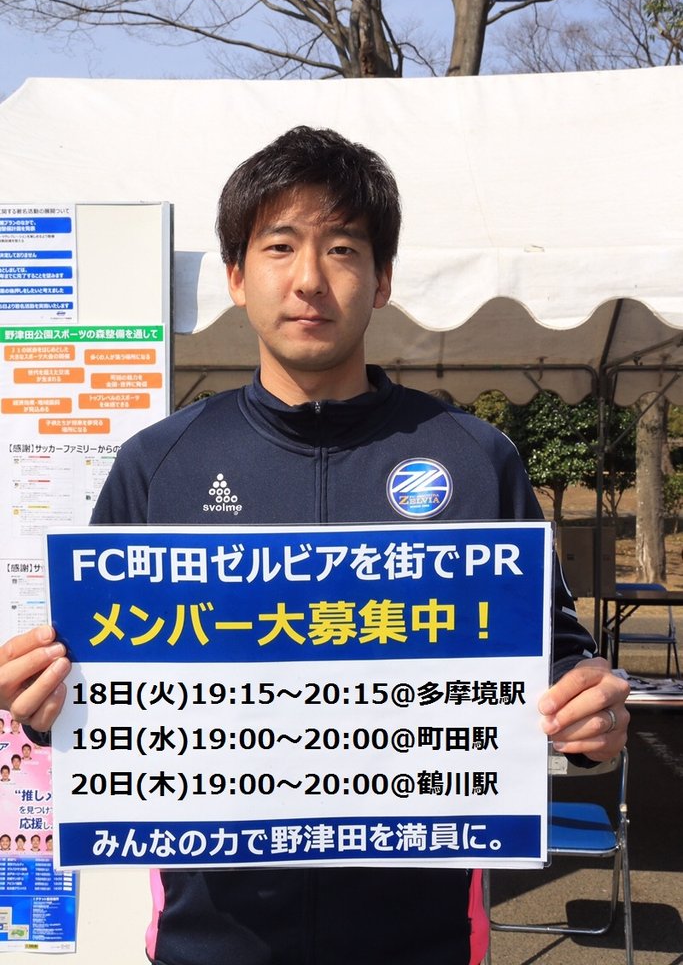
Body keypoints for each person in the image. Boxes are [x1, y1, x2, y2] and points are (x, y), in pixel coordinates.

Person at [0, 126, 629, 965]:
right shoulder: (158, 463)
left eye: (341, 248)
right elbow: (89, 683)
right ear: (236, 277)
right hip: (208, 941)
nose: (308, 279)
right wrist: (41, 707)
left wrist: (590, 716)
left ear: (382, 279)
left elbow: (556, 661)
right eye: (279, 246)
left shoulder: (474, 458)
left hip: (423, 940)